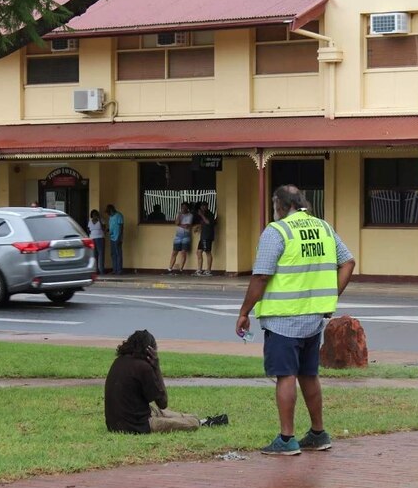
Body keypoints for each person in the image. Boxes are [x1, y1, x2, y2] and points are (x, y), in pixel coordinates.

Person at [235, 185, 355, 456]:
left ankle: (286, 438)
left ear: (279, 203)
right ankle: (317, 433)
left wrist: (244, 311)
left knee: (286, 375)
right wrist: (330, 297)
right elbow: (348, 262)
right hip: (314, 317)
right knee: (309, 374)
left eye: (274, 203)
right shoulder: (323, 228)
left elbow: (261, 276)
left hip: (283, 319)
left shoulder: (277, 232)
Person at [104, 330, 228, 433]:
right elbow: (163, 402)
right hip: (136, 425)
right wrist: (156, 367)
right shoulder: (143, 367)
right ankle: (198, 421)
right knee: (192, 423)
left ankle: (194, 418)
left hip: (114, 423)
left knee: (159, 412)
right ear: (150, 351)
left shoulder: (119, 361)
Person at [165, 202, 193, 274]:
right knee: (174, 252)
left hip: (186, 236)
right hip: (178, 236)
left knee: (183, 253)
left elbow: (187, 225)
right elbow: (176, 222)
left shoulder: (190, 215)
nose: (183, 208)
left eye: (185, 207)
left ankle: (181, 269)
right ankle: (169, 268)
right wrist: (179, 216)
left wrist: (179, 224)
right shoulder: (179, 214)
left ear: (187, 208)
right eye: (182, 207)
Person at [194, 202, 216, 277]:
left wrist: (201, 215)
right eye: (201, 206)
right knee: (198, 252)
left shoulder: (210, 214)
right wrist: (198, 227)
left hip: (207, 236)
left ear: (207, 206)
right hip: (202, 236)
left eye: (204, 206)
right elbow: (203, 223)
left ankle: (208, 270)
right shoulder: (203, 215)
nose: (203, 208)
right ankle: (199, 270)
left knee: (208, 252)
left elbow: (208, 222)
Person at [106, 204, 124, 275]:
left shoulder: (119, 215)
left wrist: (120, 237)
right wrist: (108, 230)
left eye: (108, 212)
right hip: (112, 237)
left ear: (111, 210)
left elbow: (121, 227)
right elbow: (112, 226)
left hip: (117, 237)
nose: (108, 214)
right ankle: (114, 269)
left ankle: (119, 270)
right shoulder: (110, 217)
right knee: (113, 254)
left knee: (118, 254)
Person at [88, 209, 106, 275]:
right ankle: (95, 270)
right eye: (93, 215)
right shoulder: (90, 221)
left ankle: (101, 270)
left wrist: (100, 220)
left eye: (96, 214)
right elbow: (89, 230)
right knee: (94, 255)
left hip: (100, 238)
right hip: (92, 238)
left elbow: (104, 229)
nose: (94, 216)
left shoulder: (101, 220)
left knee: (101, 254)